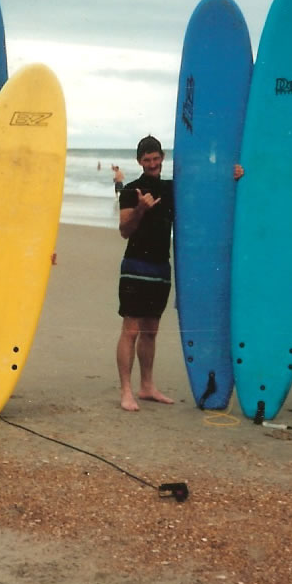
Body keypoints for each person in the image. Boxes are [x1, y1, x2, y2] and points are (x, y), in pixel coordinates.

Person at [115, 136, 176, 411]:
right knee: (131, 330)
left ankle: (147, 386)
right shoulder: (130, 190)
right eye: (146, 160)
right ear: (139, 161)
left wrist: (235, 174)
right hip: (136, 266)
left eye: (155, 158)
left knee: (151, 331)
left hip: (162, 267)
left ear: (162, 157)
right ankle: (126, 390)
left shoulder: (171, 188)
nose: (152, 164)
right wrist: (140, 209)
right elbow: (124, 230)